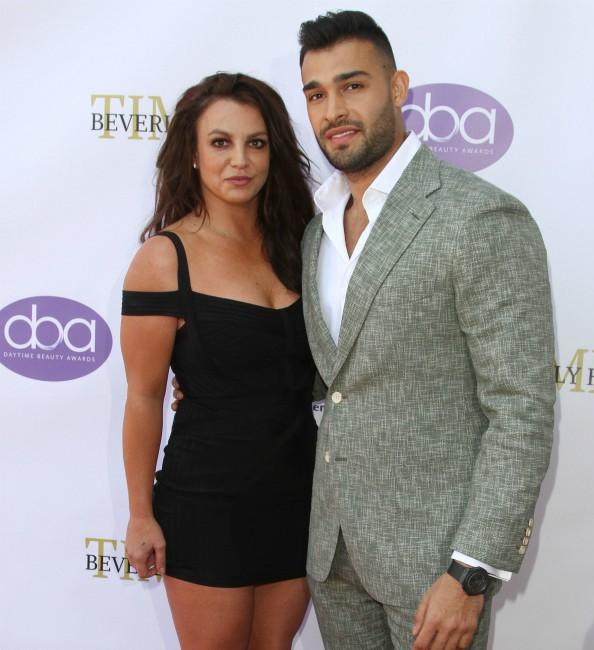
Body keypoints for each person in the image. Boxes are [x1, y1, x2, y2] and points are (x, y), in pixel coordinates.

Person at [297, 10, 556, 650]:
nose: (334, 110)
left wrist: (471, 571)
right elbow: (339, 376)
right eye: (316, 94)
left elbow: (520, 409)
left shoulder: (479, 217)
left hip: (434, 565)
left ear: (397, 87)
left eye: (353, 85)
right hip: (334, 557)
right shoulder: (316, 230)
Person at [120, 72, 317, 650]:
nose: (240, 160)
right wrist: (140, 514)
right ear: (193, 152)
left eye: (256, 143)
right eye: (220, 142)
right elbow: (144, 397)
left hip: (298, 497)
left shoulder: (303, 246)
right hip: (206, 503)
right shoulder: (164, 259)